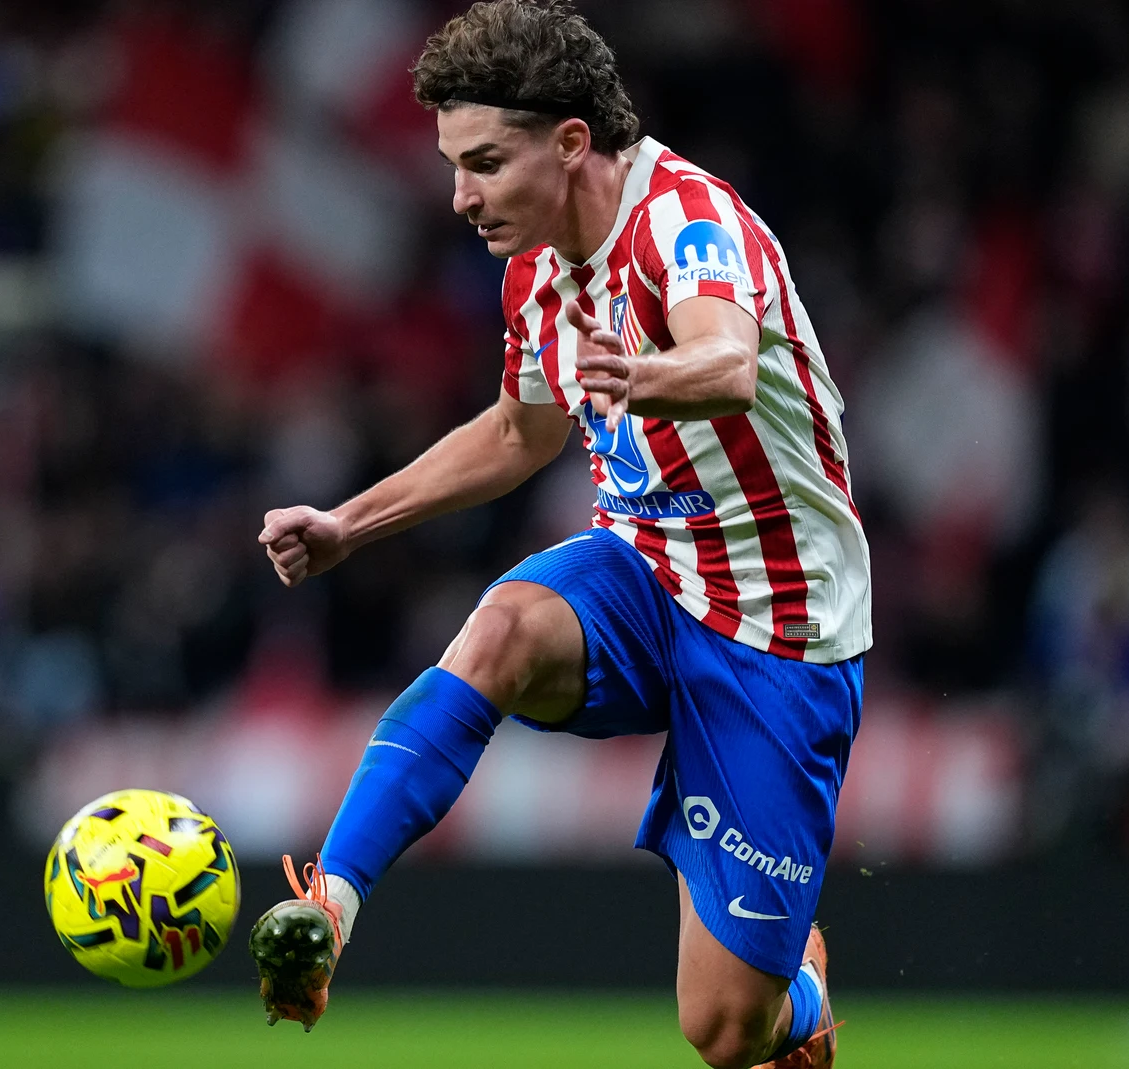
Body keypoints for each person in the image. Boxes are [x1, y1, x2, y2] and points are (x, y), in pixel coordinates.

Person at [247, 4, 868, 1068]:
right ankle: (330, 908)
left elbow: (724, 361)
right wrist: (350, 522)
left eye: (484, 162)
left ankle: (794, 997)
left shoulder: (687, 220)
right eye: (454, 164)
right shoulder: (535, 271)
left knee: (725, 1033)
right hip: (643, 571)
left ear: (570, 141)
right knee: (498, 629)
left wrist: (642, 375)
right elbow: (516, 430)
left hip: (780, 625)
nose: (460, 195)